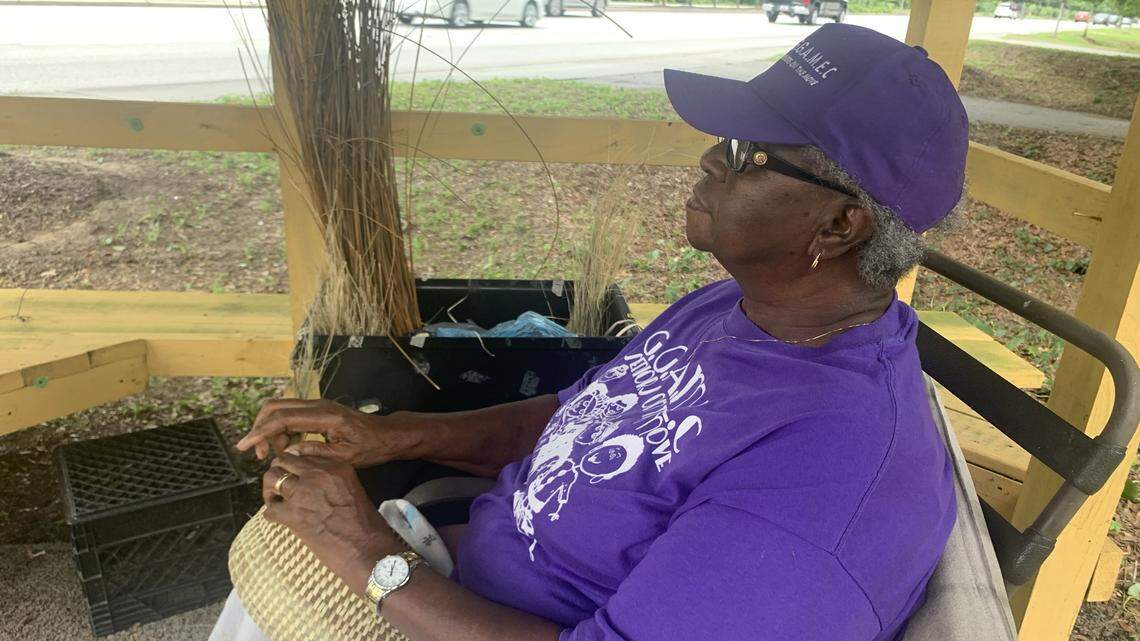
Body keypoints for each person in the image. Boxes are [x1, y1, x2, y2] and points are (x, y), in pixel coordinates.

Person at [226, 22, 967, 641]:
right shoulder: (735, 309)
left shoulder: (825, 477)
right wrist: (392, 435)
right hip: (451, 562)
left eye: (748, 151)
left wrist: (366, 553)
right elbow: (571, 418)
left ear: (842, 225)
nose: (711, 155)